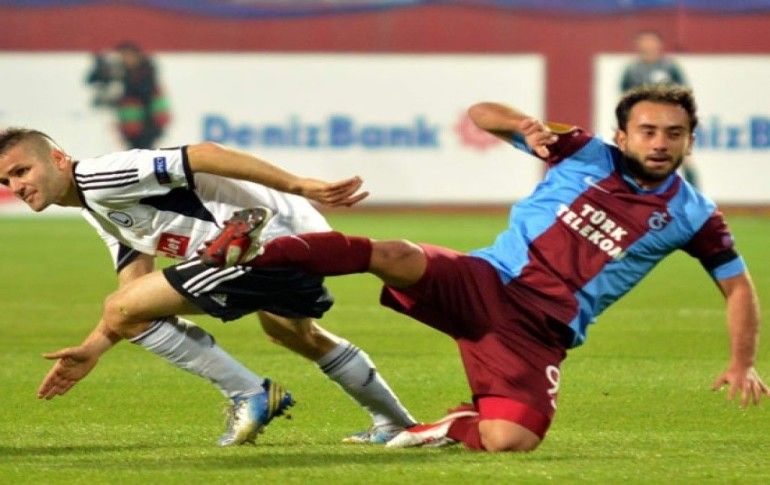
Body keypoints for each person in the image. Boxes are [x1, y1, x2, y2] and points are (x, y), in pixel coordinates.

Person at [201, 84, 769, 452]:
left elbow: (737, 286)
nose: (660, 142)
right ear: (623, 136)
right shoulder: (581, 150)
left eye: (673, 134)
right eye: (648, 131)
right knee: (394, 254)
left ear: (691, 142)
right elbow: (479, 114)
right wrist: (525, 125)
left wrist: (742, 362)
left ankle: (450, 425)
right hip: (486, 281)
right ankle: (255, 253)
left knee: (510, 439)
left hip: (540, 329)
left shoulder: (695, 214)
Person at [0, 130, 416, 446]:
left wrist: (299, 184)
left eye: (22, 171)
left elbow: (204, 154)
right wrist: (94, 347)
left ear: (58, 159)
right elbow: (134, 285)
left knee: (122, 309)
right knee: (292, 333)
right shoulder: (96, 208)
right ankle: (396, 424)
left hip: (258, 239)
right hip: (289, 238)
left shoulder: (100, 176)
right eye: (6, 181)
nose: (16, 187)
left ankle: (251, 394)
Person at [620, 30, 699, 187]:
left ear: (659, 45)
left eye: (652, 42)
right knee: (633, 156)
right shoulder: (632, 70)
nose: (649, 46)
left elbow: (684, 94)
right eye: (645, 42)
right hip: (643, 123)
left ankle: (694, 193)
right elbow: (624, 97)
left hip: (669, 120)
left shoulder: (670, 67)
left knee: (684, 158)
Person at [86, 42, 170, 149]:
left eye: (128, 55)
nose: (126, 59)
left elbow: (142, 92)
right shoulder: (122, 73)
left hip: (148, 124)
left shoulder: (145, 72)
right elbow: (92, 80)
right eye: (122, 56)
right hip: (128, 125)